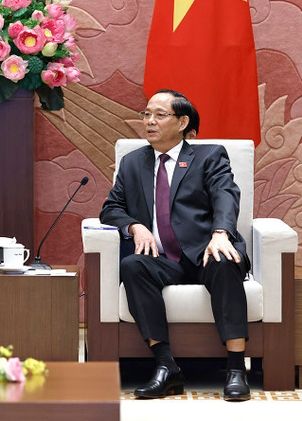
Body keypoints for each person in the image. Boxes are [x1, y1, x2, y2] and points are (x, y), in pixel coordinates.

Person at [100, 89, 251, 401]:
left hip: (205, 252)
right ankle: (166, 367)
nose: (149, 121)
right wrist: (135, 226)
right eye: (146, 114)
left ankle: (236, 368)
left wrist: (221, 232)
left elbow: (226, 194)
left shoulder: (209, 156)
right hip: (162, 259)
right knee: (132, 265)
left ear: (182, 122)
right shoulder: (132, 163)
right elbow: (111, 208)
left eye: (159, 114)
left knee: (224, 260)